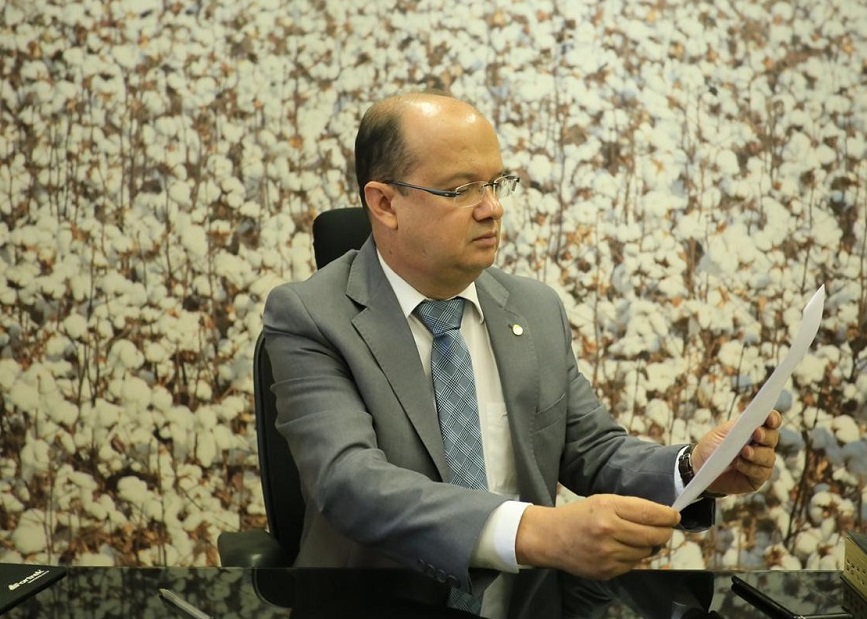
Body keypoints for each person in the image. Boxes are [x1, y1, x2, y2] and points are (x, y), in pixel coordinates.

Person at [262, 91, 781, 617]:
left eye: (496, 183)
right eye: (461, 189)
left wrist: (693, 470)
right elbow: (350, 482)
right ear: (385, 204)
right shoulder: (311, 315)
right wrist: (534, 531)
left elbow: (593, 449)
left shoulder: (533, 308)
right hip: (370, 605)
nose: (492, 208)